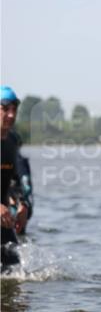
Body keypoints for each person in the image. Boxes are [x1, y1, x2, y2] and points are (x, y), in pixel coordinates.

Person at [1, 86, 30, 269]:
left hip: (3, 219)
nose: (11, 115)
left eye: (14, 109)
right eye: (5, 109)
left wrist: (22, 203)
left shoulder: (13, 140)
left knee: (15, 272)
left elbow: (15, 179)